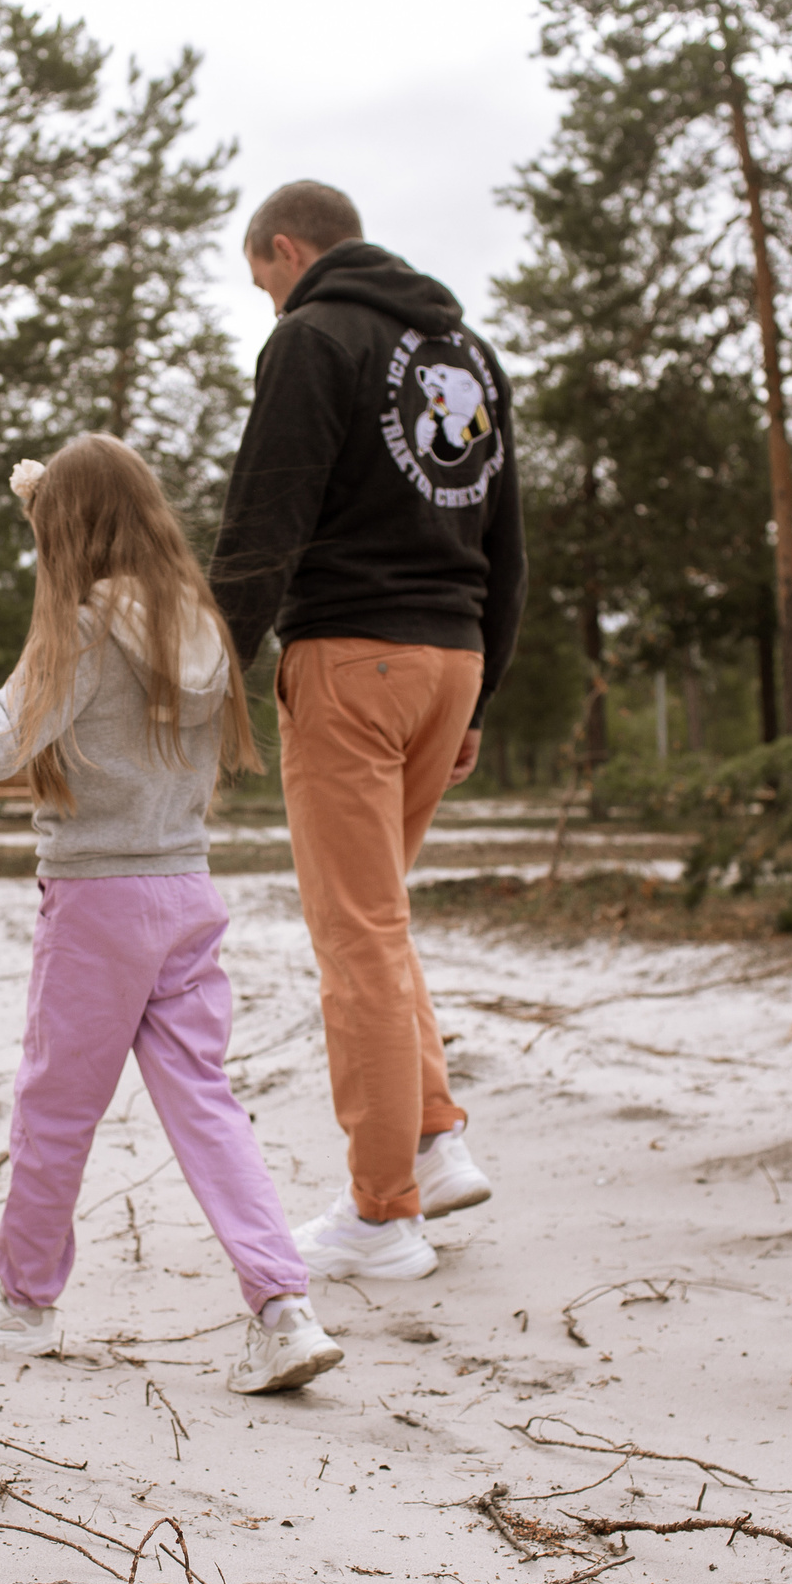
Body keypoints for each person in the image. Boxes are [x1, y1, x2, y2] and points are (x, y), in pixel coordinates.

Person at [0, 435, 345, 1395]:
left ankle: (22, 1300)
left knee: (55, 1106)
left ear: (70, 532)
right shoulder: (201, 627)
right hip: (187, 895)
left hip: (99, 902)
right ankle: (283, 1305)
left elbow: (3, 735)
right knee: (209, 1106)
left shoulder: (86, 630)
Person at [209, 181, 526, 1283]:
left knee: (353, 938)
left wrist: (208, 675)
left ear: (287, 249)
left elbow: (267, 512)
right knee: (380, 920)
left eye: (263, 282)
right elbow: (509, 534)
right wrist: (479, 693)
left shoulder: (314, 340)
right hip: (451, 661)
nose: (267, 306)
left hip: (352, 660)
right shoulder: (466, 355)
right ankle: (434, 1140)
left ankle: (382, 1214)